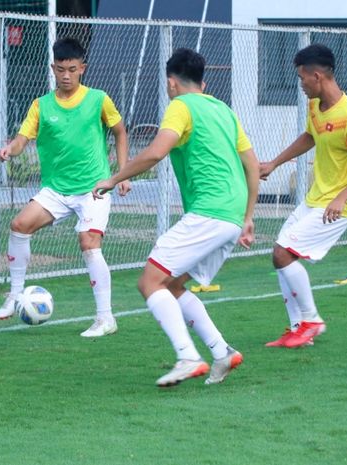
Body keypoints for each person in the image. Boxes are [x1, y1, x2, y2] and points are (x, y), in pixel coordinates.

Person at [93, 48, 258, 386]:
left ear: (171, 83)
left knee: (149, 282)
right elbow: (252, 165)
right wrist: (248, 216)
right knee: (172, 284)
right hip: (231, 215)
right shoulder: (223, 109)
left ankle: (187, 356)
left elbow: (156, 151)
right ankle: (221, 351)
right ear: (203, 81)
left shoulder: (180, 106)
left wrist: (114, 178)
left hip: (210, 212)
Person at [0, 37, 131, 337]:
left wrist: (122, 174)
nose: (66, 75)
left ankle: (105, 318)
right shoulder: (41, 105)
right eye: (60, 69)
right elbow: (22, 139)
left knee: (89, 243)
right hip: (56, 190)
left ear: (82, 68)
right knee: (19, 225)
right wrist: (9, 150)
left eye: (72, 69)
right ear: (52, 68)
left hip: (94, 188)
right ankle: (16, 294)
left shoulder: (98, 99)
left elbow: (120, 132)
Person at [260, 44, 347, 348]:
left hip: (337, 206)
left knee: (282, 253)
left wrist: (341, 198)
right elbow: (309, 137)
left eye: (302, 79)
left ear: (317, 76)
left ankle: (312, 320)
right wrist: (274, 163)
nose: (300, 85)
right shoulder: (316, 107)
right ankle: (299, 328)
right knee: (280, 258)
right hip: (314, 200)